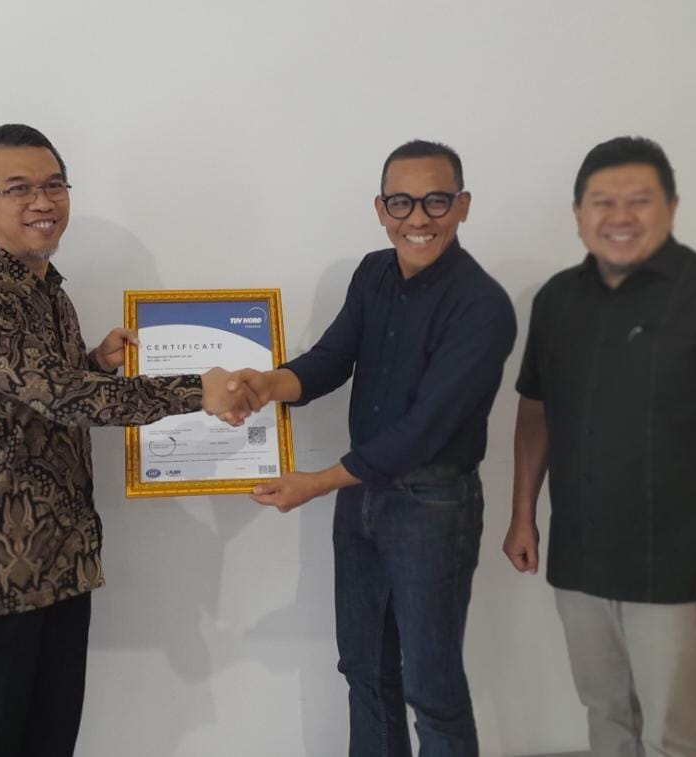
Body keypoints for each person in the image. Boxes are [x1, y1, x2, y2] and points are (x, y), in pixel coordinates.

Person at [0, 123, 253, 757]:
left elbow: (36, 397)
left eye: (54, 185)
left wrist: (94, 363)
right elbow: (57, 395)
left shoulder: (49, 290)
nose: (42, 202)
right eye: (19, 188)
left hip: (60, 564)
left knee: (49, 742)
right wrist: (195, 391)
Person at [229, 140, 516, 757]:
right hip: (361, 496)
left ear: (462, 205)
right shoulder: (372, 273)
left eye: (436, 201)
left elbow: (424, 430)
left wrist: (316, 483)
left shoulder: (482, 306)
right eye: (401, 202)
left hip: (432, 504)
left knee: (432, 689)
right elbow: (332, 358)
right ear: (380, 209)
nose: (418, 218)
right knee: (364, 669)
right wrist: (267, 385)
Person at [502, 136, 696, 756]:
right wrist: (523, 513)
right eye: (602, 201)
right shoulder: (557, 301)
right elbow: (536, 410)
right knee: (606, 718)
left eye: (639, 200)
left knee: (676, 736)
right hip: (580, 560)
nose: (620, 216)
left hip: (681, 565)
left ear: (671, 207)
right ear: (579, 214)